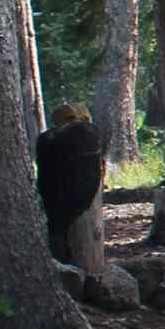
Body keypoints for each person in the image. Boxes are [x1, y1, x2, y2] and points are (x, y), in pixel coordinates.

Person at [34, 104, 105, 262]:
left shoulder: (48, 138)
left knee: (57, 232)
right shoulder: (93, 133)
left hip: (58, 195)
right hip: (84, 193)